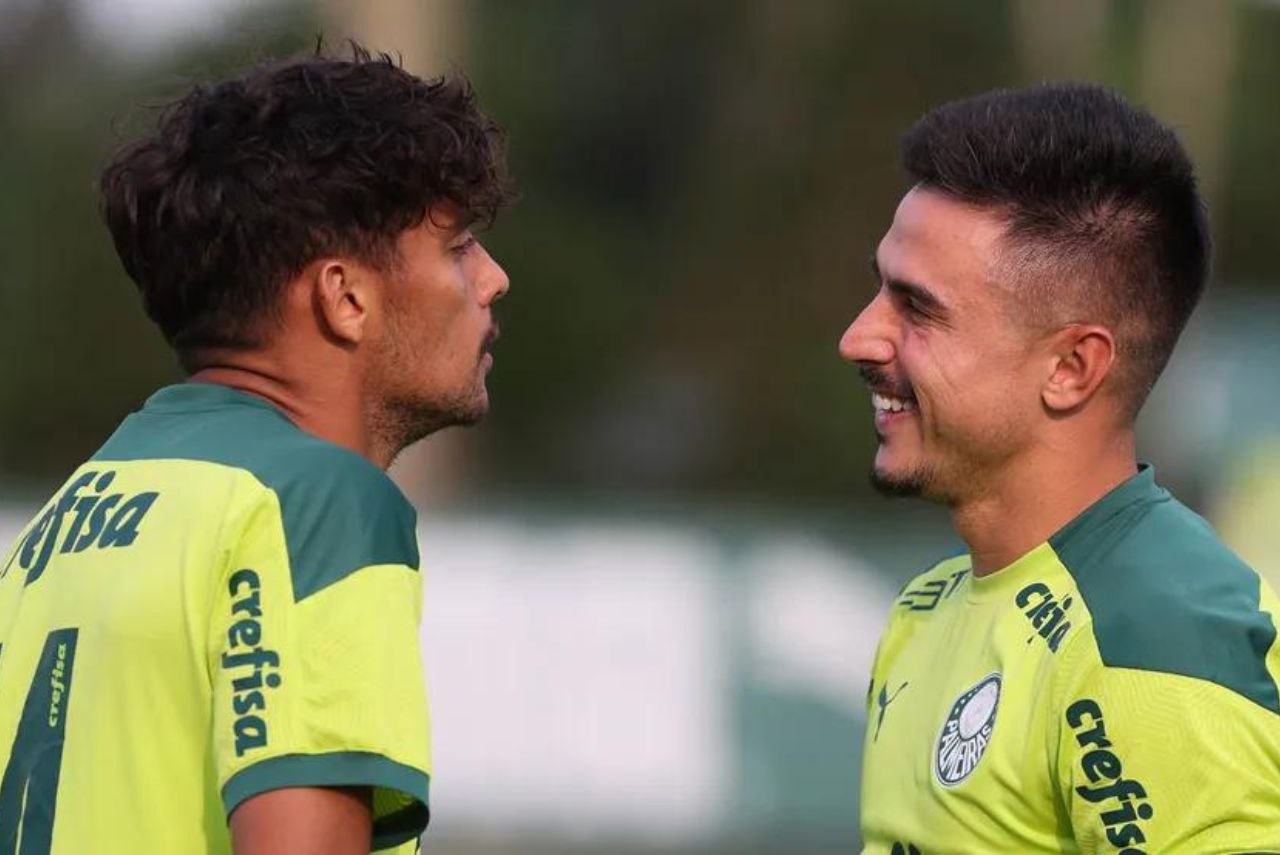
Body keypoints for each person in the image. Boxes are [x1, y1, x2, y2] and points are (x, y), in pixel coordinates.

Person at [0, 45, 511, 854]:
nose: (493, 279)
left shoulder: (64, 519)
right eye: (457, 247)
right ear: (345, 298)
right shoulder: (318, 504)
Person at [842, 84, 1280, 853]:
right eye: (880, 288)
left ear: (1074, 367)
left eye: (918, 308)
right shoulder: (932, 604)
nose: (860, 337)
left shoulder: (1156, 641)